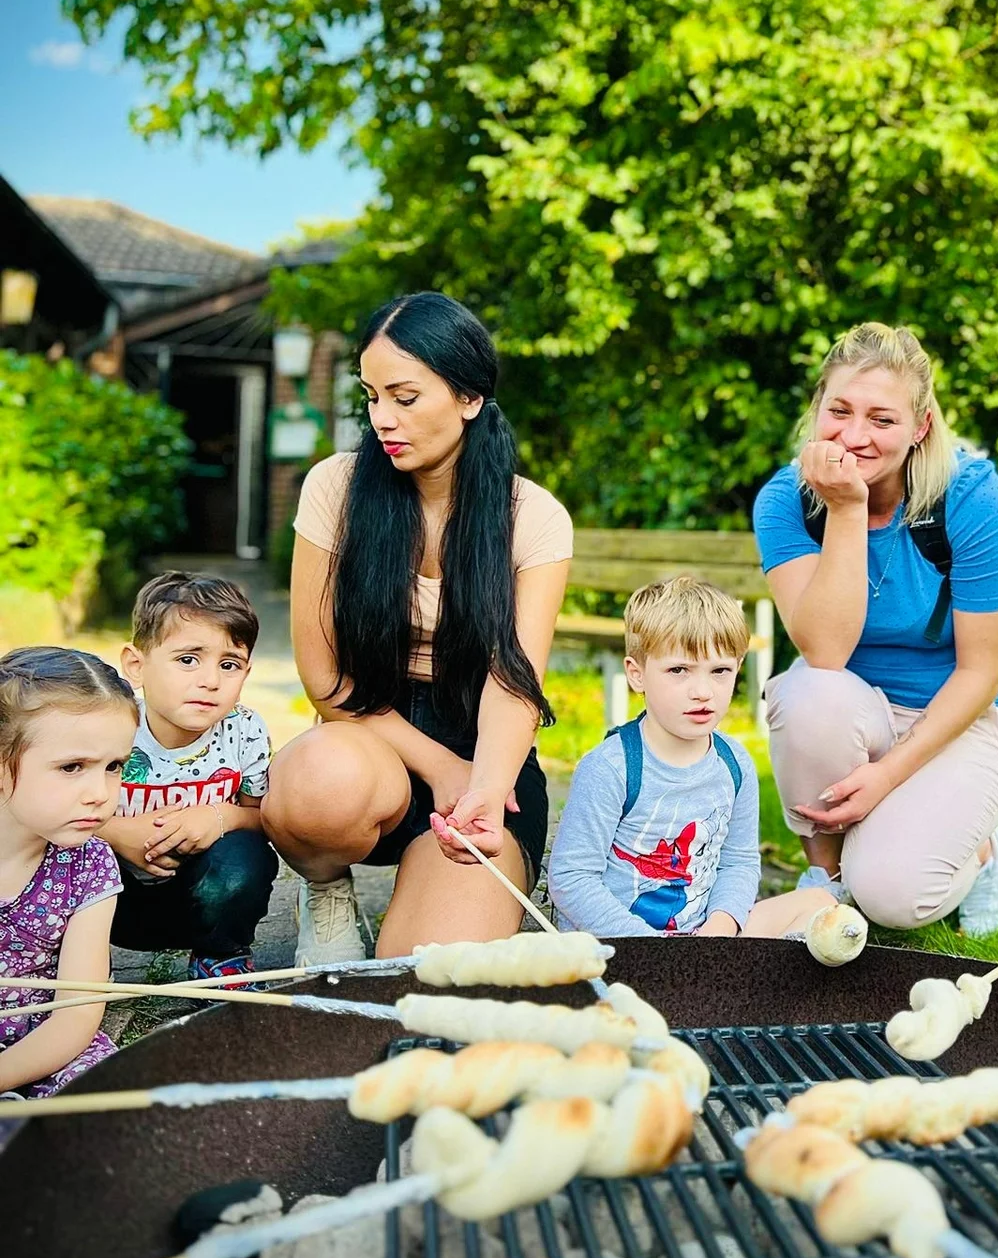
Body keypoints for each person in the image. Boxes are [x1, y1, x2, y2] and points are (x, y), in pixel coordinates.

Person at [263, 292, 571, 961]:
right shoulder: (334, 488)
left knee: (427, 972)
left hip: (484, 747)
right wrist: (439, 767)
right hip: (365, 734)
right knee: (313, 784)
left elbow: (514, 685)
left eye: (404, 398)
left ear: (469, 398)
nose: (382, 418)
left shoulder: (534, 517)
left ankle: (431, 884)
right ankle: (327, 891)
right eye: (372, 396)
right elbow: (323, 678)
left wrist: (484, 787)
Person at [752, 323, 998, 933]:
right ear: (817, 408)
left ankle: (984, 852)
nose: (854, 437)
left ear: (920, 427)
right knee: (805, 690)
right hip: (854, 707)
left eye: (882, 419)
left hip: (962, 719)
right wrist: (847, 508)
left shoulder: (972, 497)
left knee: (891, 898)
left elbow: (982, 673)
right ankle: (824, 878)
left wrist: (887, 777)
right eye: (839, 411)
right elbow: (825, 652)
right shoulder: (785, 501)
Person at [547, 578, 830, 939]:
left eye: (720, 671)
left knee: (820, 902)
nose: (702, 692)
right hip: (620, 944)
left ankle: (726, 965)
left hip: (702, 938)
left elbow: (739, 862)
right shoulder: (611, 767)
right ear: (637, 674)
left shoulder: (735, 764)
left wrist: (721, 927)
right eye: (679, 670)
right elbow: (571, 878)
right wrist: (653, 948)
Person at [99, 572, 276, 983]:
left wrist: (219, 817)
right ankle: (74, 957)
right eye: (188, 660)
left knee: (247, 855)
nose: (210, 681)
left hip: (203, 896)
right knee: (60, 853)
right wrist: (116, 833)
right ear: (136, 666)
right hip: (109, 898)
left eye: (229, 665)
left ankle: (220, 955)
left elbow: (265, 817)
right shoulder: (107, 727)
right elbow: (48, 811)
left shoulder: (244, 731)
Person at [0, 648, 137, 1098]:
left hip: (45, 1049)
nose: (99, 793)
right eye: (71, 767)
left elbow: (76, 1017)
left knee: (104, 1103)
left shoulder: (89, 865)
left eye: (114, 767)